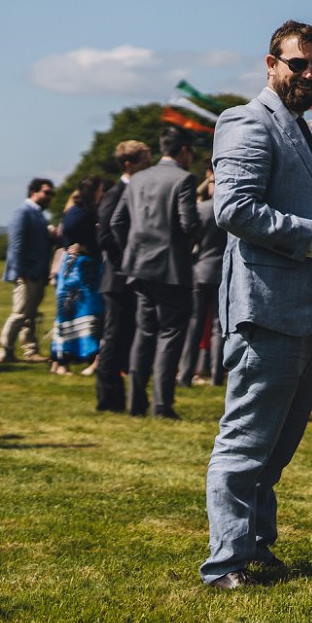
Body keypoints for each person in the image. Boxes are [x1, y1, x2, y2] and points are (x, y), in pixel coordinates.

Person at [202, 20, 312, 589]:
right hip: (266, 309)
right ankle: (224, 565)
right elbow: (234, 209)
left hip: (309, 307)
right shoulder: (246, 121)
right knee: (246, 440)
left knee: (277, 445)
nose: (310, 75)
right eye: (299, 64)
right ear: (270, 64)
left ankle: (256, 548)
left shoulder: (304, 130)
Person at [112, 126, 202, 419]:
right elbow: (188, 223)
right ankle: (162, 405)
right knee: (170, 335)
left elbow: (117, 222)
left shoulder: (137, 179)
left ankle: (135, 403)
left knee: (144, 332)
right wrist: (195, 243)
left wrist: (131, 248)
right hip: (171, 267)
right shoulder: (184, 179)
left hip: (138, 266)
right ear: (184, 151)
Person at [95, 140, 151, 411]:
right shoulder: (115, 194)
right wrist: (127, 263)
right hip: (118, 278)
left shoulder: (138, 191)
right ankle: (108, 399)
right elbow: (105, 236)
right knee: (114, 339)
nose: (149, 165)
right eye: (144, 161)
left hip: (130, 277)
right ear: (129, 164)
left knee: (127, 338)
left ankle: (123, 397)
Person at [51, 176, 108, 373]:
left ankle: (62, 360)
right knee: (83, 312)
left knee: (70, 313)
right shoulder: (83, 214)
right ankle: (66, 358)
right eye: (100, 190)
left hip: (74, 267)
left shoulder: (75, 212)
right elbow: (82, 238)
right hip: (81, 269)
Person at [0, 177, 56, 363]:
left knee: (30, 315)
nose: (50, 197)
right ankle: (5, 350)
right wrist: (19, 272)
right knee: (20, 313)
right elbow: (16, 245)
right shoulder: (23, 212)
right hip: (26, 273)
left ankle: (30, 351)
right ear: (34, 192)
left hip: (37, 273)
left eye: (52, 194)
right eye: (47, 192)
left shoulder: (38, 214)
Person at [180, 169, 228, 387]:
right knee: (219, 327)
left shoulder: (201, 209)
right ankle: (217, 375)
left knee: (194, 324)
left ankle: (185, 373)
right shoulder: (229, 212)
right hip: (223, 272)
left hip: (200, 270)